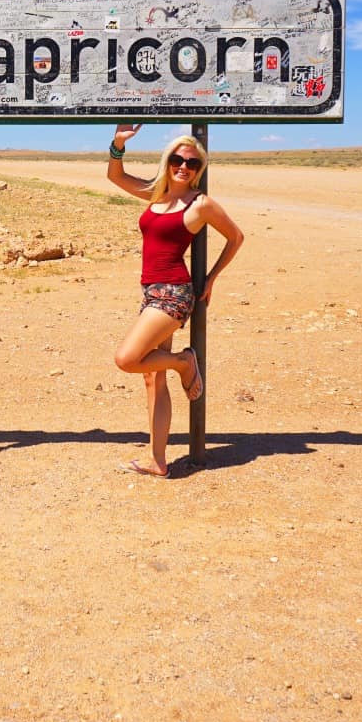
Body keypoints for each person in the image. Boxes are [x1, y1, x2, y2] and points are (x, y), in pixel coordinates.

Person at [107, 124, 244, 478]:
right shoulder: (156, 194)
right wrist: (119, 143)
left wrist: (211, 279)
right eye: (179, 160)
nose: (184, 167)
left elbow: (236, 237)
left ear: (200, 169)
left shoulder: (201, 204)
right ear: (169, 162)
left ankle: (184, 362)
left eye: (193, 163)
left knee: (127, 359)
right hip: (151, 291)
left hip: (173, 294)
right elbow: (115, 175)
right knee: (152, 378)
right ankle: (158, 460)